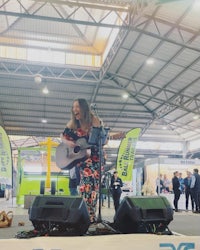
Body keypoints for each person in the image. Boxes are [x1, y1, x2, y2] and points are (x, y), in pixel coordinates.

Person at [61, 98, 102, 223]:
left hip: (95, 159)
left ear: (84, 108)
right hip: (83, 160)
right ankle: (87, 216)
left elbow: (101, 139)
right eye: (73, 107)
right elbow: (62, 136)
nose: (74, 110)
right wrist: (68, 142)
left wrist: (105, 139)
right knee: (85, 187)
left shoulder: (94, 120)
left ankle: (90, 215)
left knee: (93, 188)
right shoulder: (73, 123)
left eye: (77, 107)